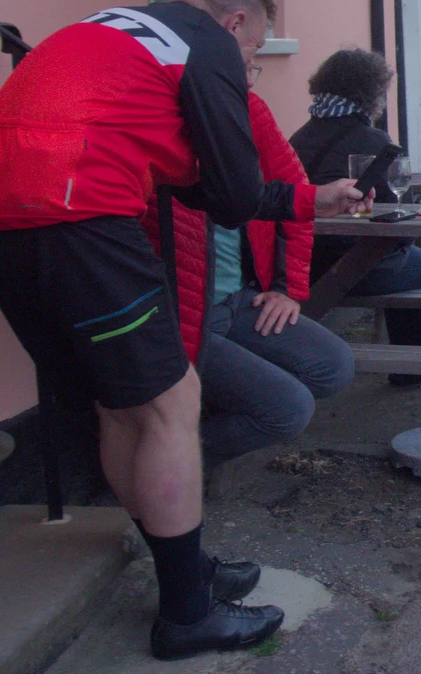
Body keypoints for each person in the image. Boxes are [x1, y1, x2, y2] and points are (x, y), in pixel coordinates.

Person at [0, 0, 367, 661]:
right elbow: (233, 195)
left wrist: (296, 201)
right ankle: (186, 616)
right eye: (255, 52)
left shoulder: (102, 26)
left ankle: (186, 572)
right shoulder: (198, 46)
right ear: (233, 22)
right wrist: (300, 198)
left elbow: (189, 177)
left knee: (122, 407)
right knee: (173, 402)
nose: (249, 68)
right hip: (77, 216)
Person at [145, 63, 354, 476]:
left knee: (333, 366)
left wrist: (286, 286)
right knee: (289, 408)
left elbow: (298, 198)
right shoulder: (154, 120)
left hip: (239, 297)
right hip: (178, 314)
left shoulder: (251, 112)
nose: (252, 77)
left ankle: (187, 446)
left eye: (254, 62)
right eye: (240, 64)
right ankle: (159, 469)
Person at [289, 49, 421, 364]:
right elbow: (402, 221)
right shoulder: (372, 141)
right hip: (344, 266)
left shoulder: (298, 136)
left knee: (407, 260)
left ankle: (409, 368)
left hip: (298, 264)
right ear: (372, 93)